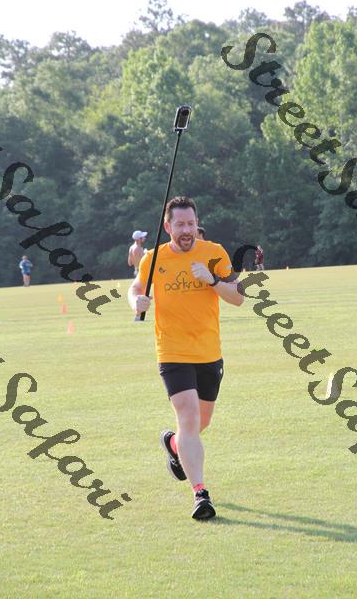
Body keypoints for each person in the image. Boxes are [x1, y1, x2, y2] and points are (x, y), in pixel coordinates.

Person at [128, 196, 243, 520]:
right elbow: (135, 288)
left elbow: (238, 298)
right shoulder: (153, 259)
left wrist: (213, 280)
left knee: (199, 423)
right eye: (180, 224)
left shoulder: (214, 253)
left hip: (208, 352)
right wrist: (136, 302)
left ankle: (175, 445)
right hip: (172, 351)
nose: (187, 230)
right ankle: (200, 494)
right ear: (168, 227)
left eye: (191, 223)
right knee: (189, 417)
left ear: (197, 224)